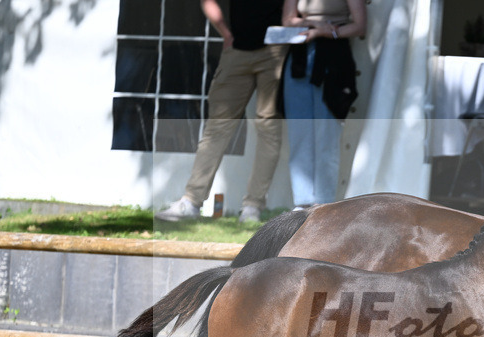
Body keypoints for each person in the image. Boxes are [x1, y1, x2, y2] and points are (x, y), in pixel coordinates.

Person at [155, 0, 287, 224]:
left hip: (276, 51)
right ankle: (191, 202)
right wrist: (226, 33)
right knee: (217, 128)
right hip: (238, 50)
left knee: (268, 128)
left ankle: (252, 208)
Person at [281, 0, 366, 209]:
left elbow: (360, 25)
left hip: (333, 58)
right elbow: (287, 21)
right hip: (300, 58)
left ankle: (324, 204)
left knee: (326, 135)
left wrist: (326, 33)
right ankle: (302, 204)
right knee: (299, 134)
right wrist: (316, 25)